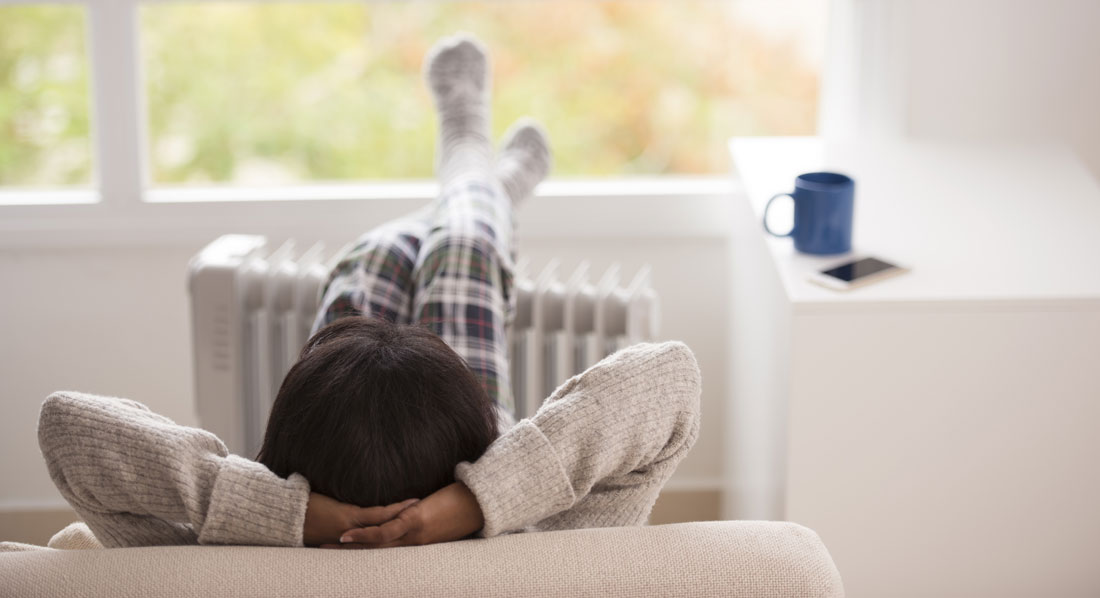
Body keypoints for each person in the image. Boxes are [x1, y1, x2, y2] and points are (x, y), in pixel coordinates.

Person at [36, 35, 702, 550]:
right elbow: (670, 379)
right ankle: (472, 166)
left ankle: (479, 178)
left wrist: (291, 517)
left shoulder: (218, 559)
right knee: (462, 249)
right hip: (461, 483)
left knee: (373, 264)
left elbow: (69, 427)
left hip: (338, 462)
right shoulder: (536, 548)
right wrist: (475, 503)